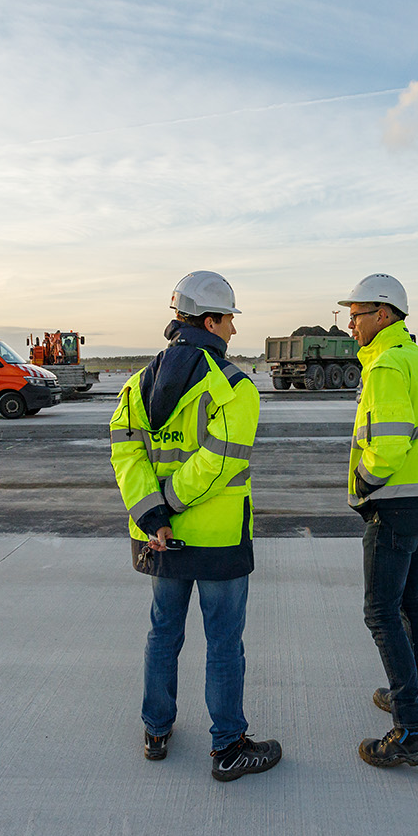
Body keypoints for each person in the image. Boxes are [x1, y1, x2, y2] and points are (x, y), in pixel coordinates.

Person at [109, 271, 282, 782]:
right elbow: (221, 460)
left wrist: (154, 515)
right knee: (224, 641)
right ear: (210, 320)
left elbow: (126, 453)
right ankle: (228, 746)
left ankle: (156, 730)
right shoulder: (233, 385)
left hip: (162, 539)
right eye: (229, 319)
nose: (233, 330)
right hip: (219, 538)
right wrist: (173, 501)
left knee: (163, 632)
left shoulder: (136, 385)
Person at [339, 273, 418, 768]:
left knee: (381, 612)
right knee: (408, 602)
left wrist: (363, 480)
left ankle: (410, 730)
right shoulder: (415, 358)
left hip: (396, 504)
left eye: (357, 314)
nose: (350, 324)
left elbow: (388, 445)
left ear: (384, 314)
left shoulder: (385, 365)